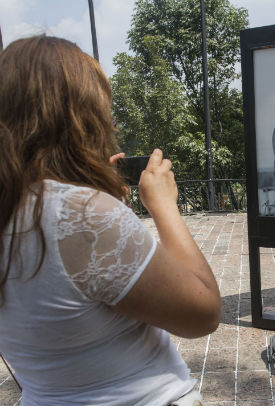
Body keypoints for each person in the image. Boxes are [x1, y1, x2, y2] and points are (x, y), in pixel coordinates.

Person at [0, 35, 221, 406]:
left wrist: (85, 191)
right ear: (79, 115)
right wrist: (163, 205)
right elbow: (204, 315)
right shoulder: (82, 215)